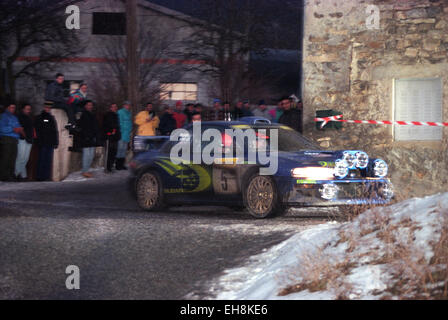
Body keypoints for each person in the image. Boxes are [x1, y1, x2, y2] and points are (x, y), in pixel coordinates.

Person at [35, 102, 58, 181]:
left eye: (49, 107)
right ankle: (39, 177)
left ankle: (46, 177)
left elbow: (55, 131)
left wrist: (56, 142)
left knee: (48, 161)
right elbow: (37, 130)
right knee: (41, 160)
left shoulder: (52, 118)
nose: (48, 109)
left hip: (50, 143)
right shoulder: (39, 117)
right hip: (43, 143)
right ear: (44, 107)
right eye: (46, 107)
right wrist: (39, 141)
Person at [0, 103, 23, 181]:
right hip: (6, 139)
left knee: (13, 158)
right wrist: (13, 129)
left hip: (14, 140)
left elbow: (18, 127)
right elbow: (2, 128)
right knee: (6, 158)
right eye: (11, 107)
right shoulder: (3, 116)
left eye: (14, 108)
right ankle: (4, 176)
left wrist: (20, 130)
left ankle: (10, 175)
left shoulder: (15, 117)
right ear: (7, 108)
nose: (13, 109)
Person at [78, 100, 101, 178]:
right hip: (86, 138)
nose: (90, 106)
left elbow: (96, 126)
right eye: (88, 105)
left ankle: (87, 170)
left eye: (91, 105)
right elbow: (82, 127)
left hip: (92, 138)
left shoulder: (93, 115)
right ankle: (85, 171)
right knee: (86, 155)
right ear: (85, 106)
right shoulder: (83, 114)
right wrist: (86, 136)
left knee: (91, 155)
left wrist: (96, 136)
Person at [15, 104, 34, 181]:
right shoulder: (20, 117)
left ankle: (23, 175)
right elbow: (21, 129)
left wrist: (30, 138)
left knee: (25, 158)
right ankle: (16, 174)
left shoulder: (29, 117)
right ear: (23, 109)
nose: (28, 110)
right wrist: (26, 137)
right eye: (27, 109)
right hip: (22, 139)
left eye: (29, 109)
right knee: (20, 157)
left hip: (29, 140)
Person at [103, 103, 121, 173]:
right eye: (113, 107)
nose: (115, 108)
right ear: (110, 108)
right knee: (109, 152)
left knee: (114, 152)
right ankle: (107, 167)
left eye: (115, 107)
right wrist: (110, 131)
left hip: (115, 137)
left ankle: (110, 166)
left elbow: (117, 126)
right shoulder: (108, 115)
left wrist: (117, 133)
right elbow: (107, 125)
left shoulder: (116, 115)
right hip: (109, 136)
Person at [116, 101, 133, 170]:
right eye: (126, 105)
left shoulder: (129, 113)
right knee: (119, 149)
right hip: (121, 134)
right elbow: (120, 123)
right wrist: (121, 131)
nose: (128, 106)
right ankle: (117, 165)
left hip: (127, 134)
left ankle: (122, 164)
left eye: (129, 105)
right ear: (124, 105)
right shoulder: (120, 112)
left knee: (124, 150)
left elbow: (130, 122)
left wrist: (130, 130)